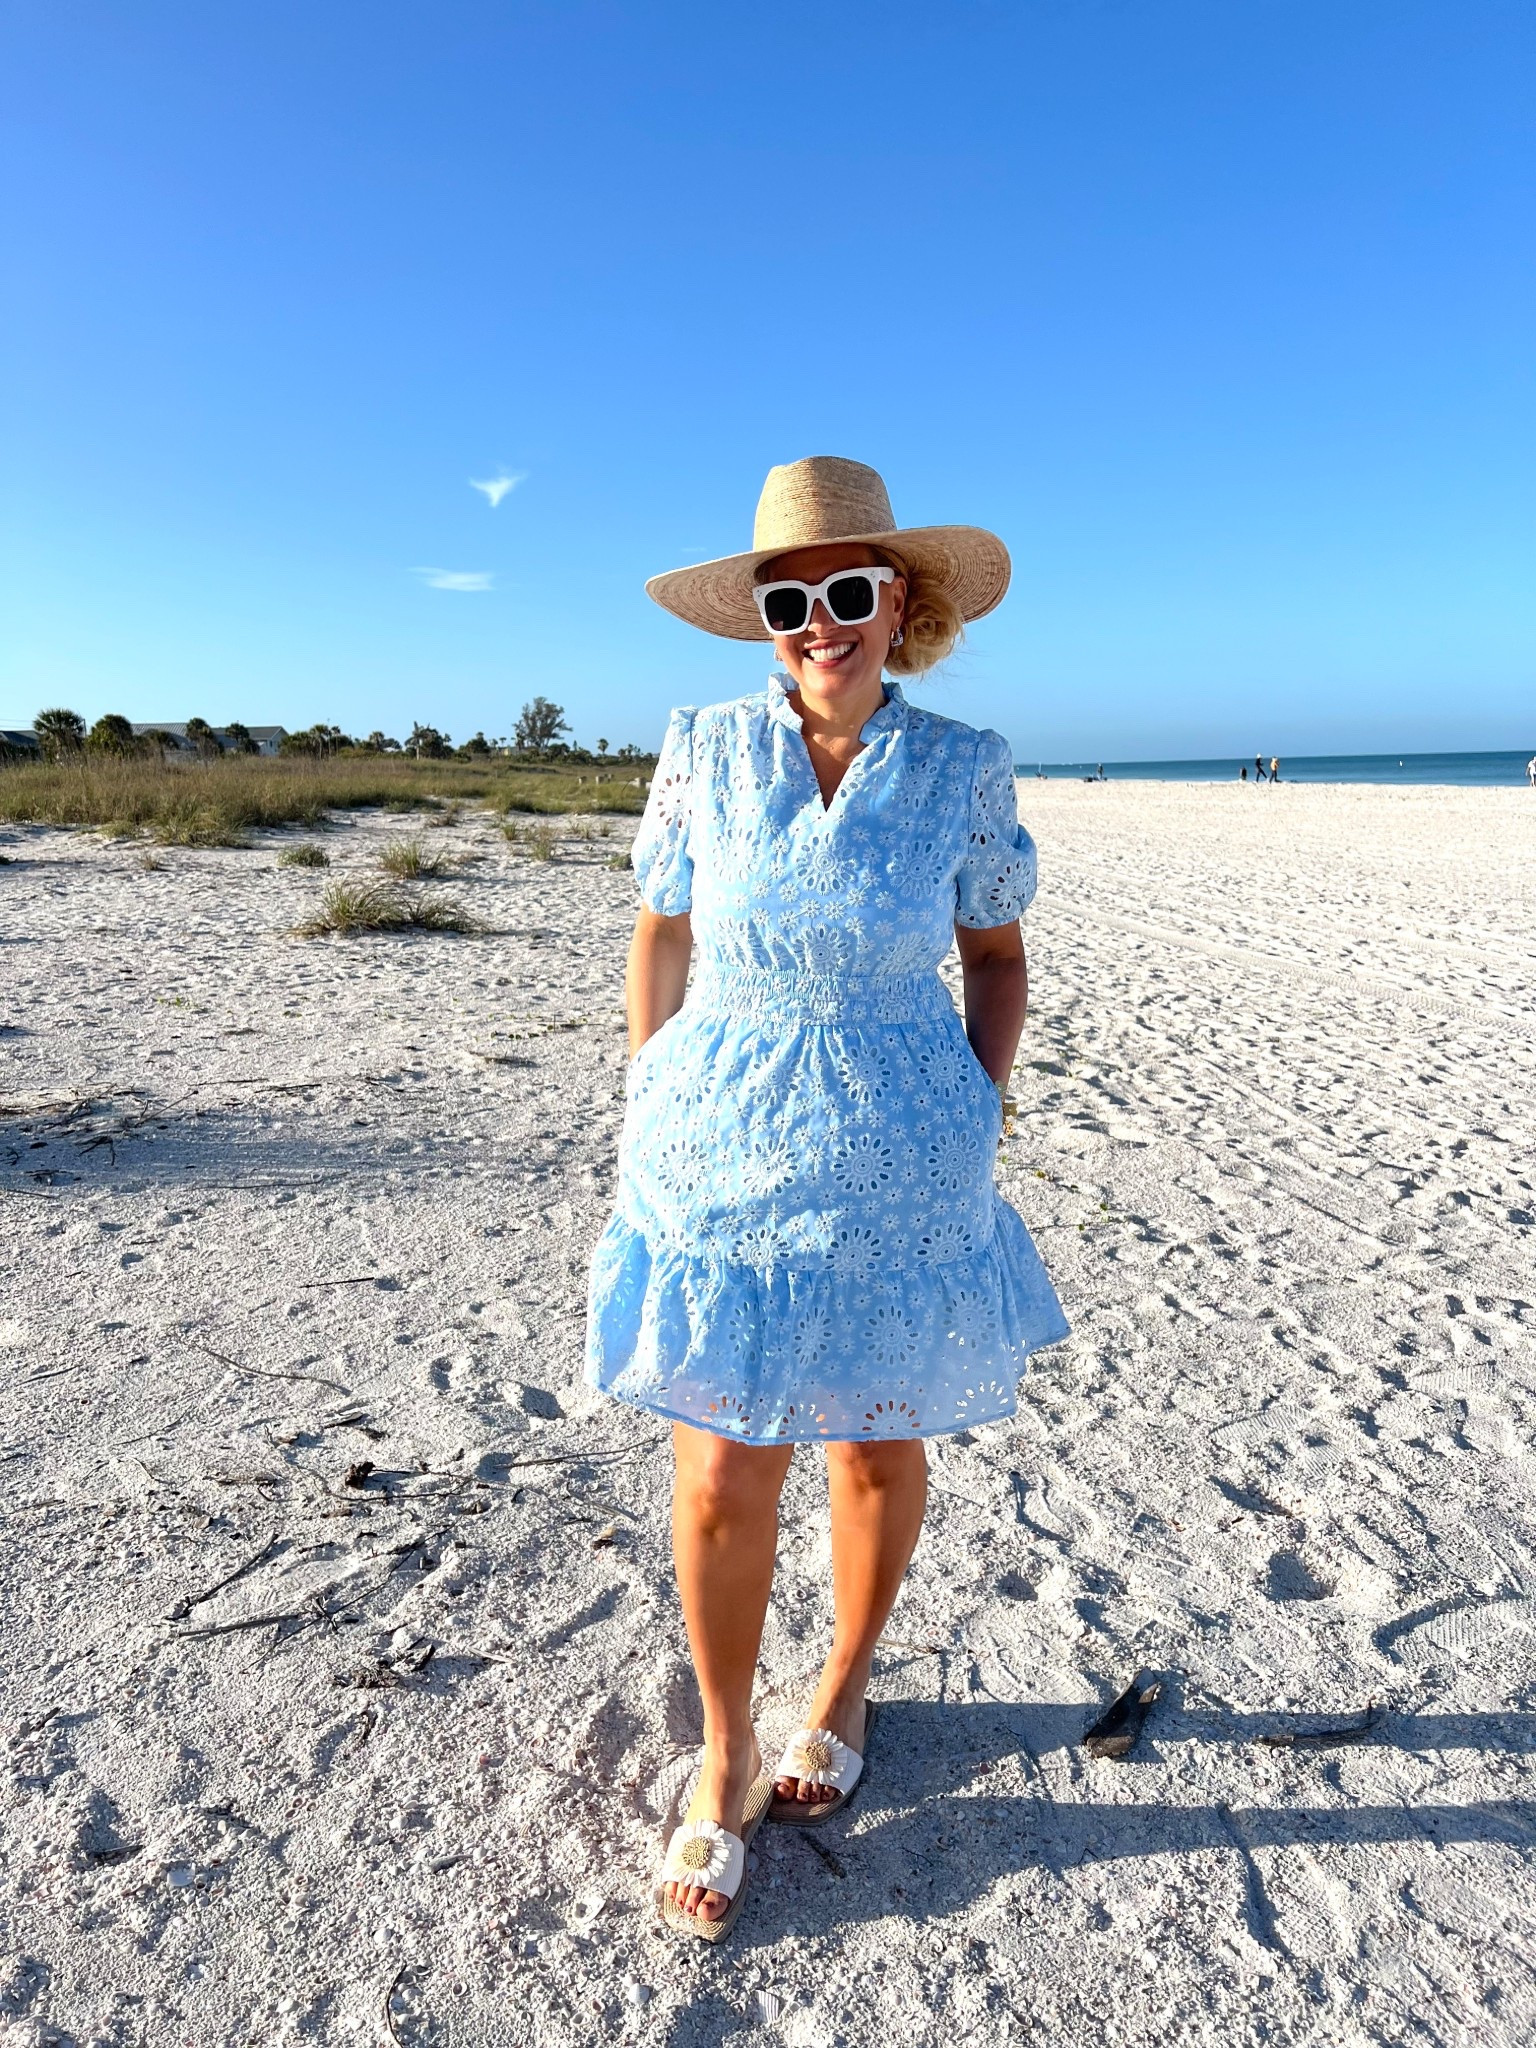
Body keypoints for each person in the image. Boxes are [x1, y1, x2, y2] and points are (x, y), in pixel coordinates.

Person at [585, 456, 1069, 1943]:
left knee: (872, 1449)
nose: (818, 622)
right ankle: (726, 1747)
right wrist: (648, 1086)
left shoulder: (964, 763)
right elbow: (660, 930)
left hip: (904, 1149)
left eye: (847, 592)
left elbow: (996, 961)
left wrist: (970, 1115)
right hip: (716, 1144)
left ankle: (844, 1679)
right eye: (788, 600)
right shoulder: (701, 747)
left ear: (899, 603)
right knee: (726, 1469)